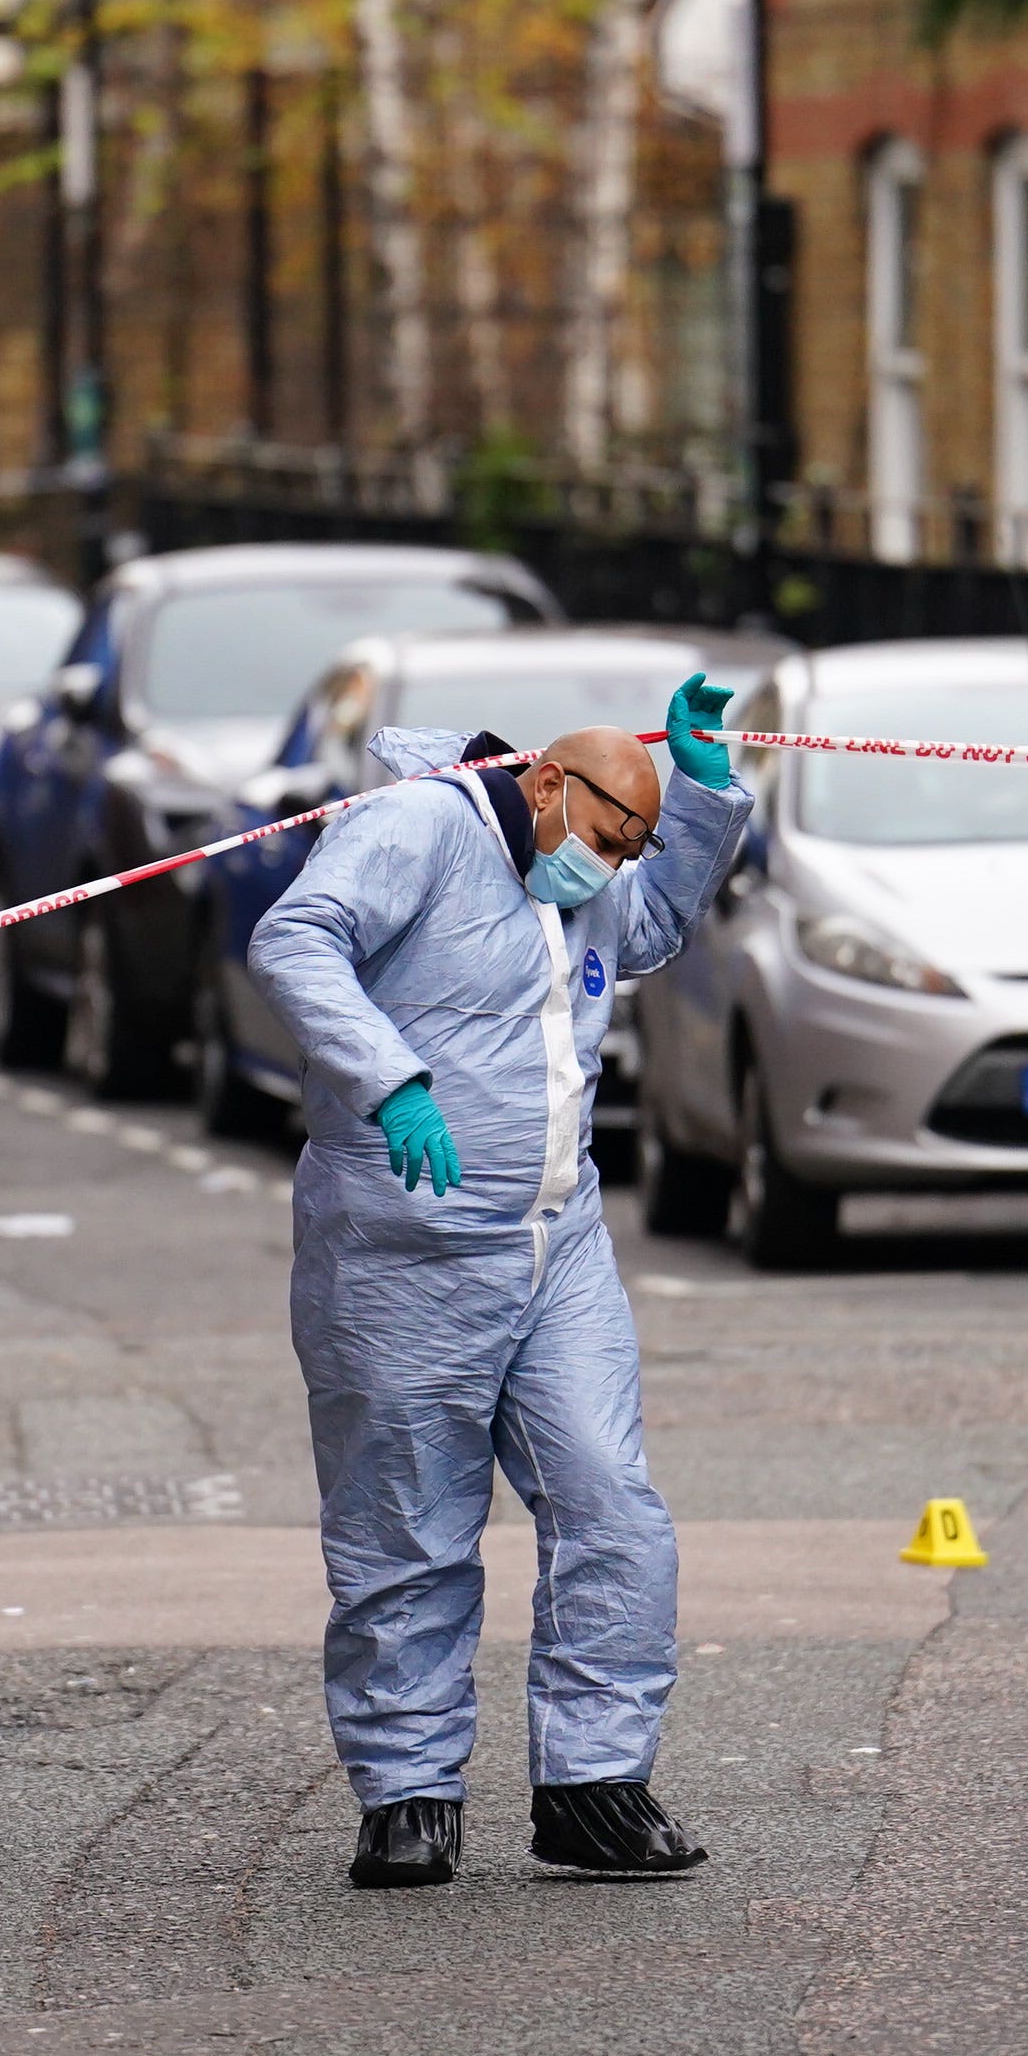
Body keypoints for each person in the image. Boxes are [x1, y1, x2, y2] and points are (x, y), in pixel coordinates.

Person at [247, 674, 752, 1887]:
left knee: (611, 1501)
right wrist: (391, 1076)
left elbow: (654, 921)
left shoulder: (574, 875)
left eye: (631, 845)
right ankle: (408, 1790)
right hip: (401, 1250)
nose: (612, 867)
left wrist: (701, 793)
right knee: (407, 1530)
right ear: (543, 783)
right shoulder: (414, 826)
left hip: (553, 1237)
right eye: (608, 836)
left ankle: (592, 1783)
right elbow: (294, 938)